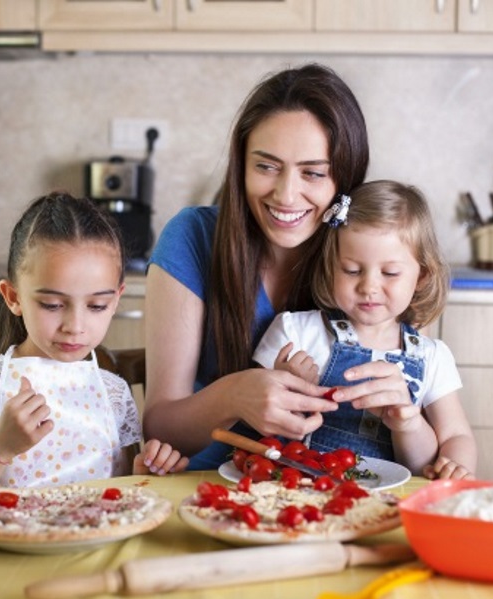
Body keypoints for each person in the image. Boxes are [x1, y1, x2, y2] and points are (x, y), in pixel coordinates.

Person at [143, 63, 411, 470]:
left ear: (346, 177)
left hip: (328, 492)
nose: (286, 195)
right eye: (266, 166)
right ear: (241, 165)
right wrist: (233, 395)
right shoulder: (192, 238)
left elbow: (420, 433)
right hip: (205, 489)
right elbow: (160, 428)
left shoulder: (371, 261)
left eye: (313, 173)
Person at [0, 191, 188, 498]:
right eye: (52, 304)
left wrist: (144, 476)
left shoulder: (114, 394)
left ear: (117, 299)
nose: (75, 327)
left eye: (97, 306)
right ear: (13, 297)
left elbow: (121, 493)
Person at [253, 180, 476, 479]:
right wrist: (285, 386)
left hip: (389, 507)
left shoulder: (432, 357)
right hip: (305, 499)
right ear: (331, 267)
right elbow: (253, 420)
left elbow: (455, 439)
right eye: (352, 270)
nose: (369, 287)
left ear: (421, 276)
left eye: (390, 273)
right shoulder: (295, 332)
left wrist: (434, 447)